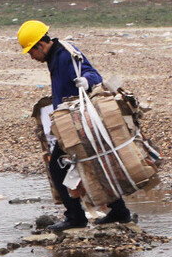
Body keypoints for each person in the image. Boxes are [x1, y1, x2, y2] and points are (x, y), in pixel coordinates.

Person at [18, 19, 132, 231]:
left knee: (57, 167)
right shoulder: (55, 56)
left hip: (77, 122)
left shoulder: (65, 55)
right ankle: (119, 211)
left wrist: (86, 81)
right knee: (91, 165)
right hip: (68, 120)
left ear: (40, 45)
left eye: (31, 52)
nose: (32, 57)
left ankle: (75, 218)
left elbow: (93, 74)